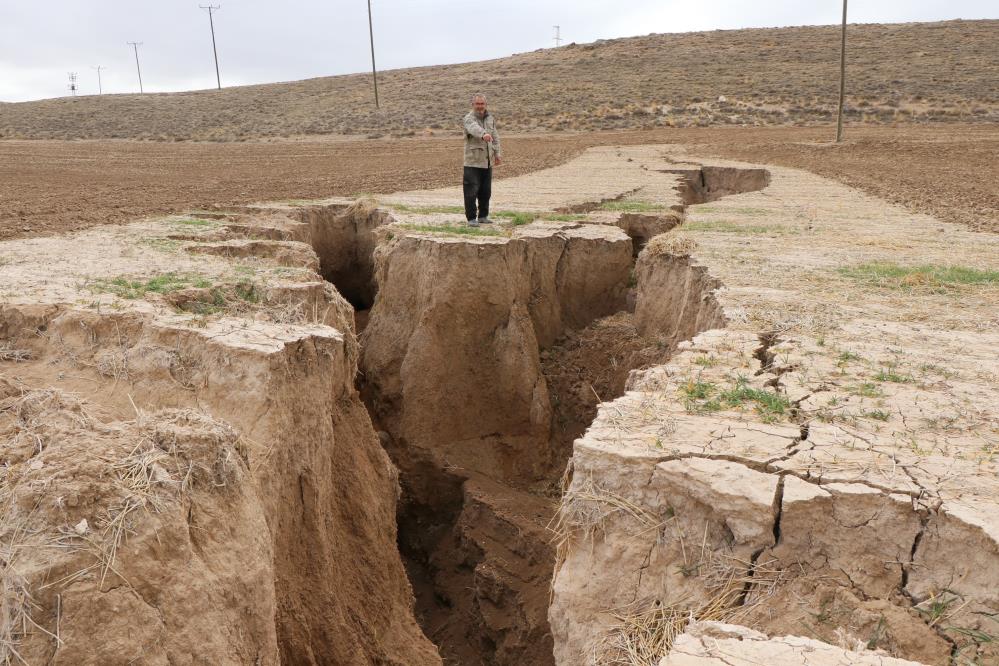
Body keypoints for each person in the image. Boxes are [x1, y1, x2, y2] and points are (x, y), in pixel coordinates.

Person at [462, 93, 502, 226]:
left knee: (486, 191)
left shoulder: (490, 118)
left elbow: (495, 136)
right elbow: (473, 128)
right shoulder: (469, 118)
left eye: (482, 104)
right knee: (471, 192)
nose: (480, 106)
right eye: (477, 104)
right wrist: (483, 134)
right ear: (472, 105)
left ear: (486, 104)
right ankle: (471, 218)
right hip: (473, 162)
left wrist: (497, 154)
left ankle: (483, 216)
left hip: (487, 162)